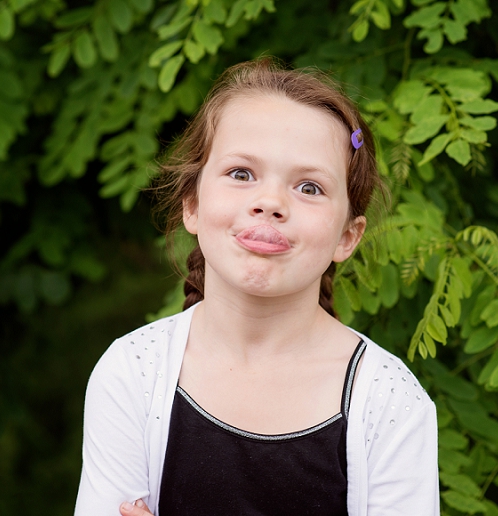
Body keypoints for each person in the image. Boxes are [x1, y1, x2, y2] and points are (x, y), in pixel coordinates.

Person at [74, 58, 439, 516]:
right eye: (241, 174)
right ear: (192, 202)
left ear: (348, 236)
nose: (270, 202)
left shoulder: (388, 401)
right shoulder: (134, 373)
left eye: (309, 187)